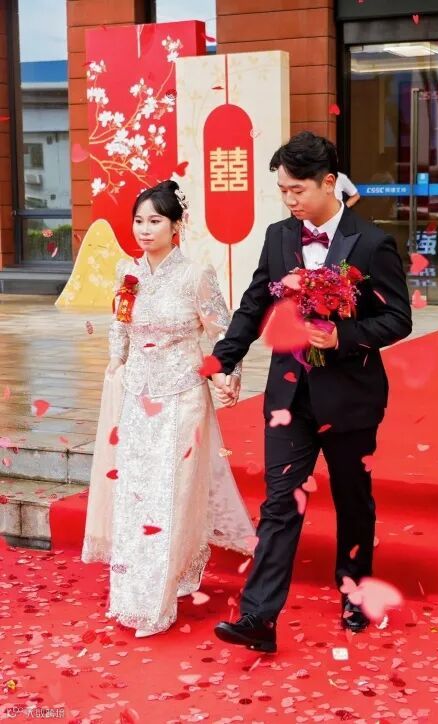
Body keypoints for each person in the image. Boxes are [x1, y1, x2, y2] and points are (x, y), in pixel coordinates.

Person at [210, 132, 412, 653]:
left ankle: (354, 591)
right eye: (282, 190)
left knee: (352, 498)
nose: (289, 201)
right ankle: (258, 617)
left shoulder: (371, 242)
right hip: (289, 397)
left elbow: (398, 317)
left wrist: (343, 336)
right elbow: (255, 303)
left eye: (296, 190)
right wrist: (223, 357)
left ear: (328, 183)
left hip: (350, 397)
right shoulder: (279, 236)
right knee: (280, 503)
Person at [81, 180, 254, 638]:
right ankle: (132, 592)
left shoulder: (196, 274)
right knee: (135, 493)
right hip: (137, 399)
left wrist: (227, 375)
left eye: (154, 220)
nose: (144, 229)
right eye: (138, 220)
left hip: (182, 397)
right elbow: (119, 324)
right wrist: (115, 364)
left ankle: (157, 598)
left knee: (170, 494)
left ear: (176, 226)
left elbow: (222, 332)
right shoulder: (128, 272)